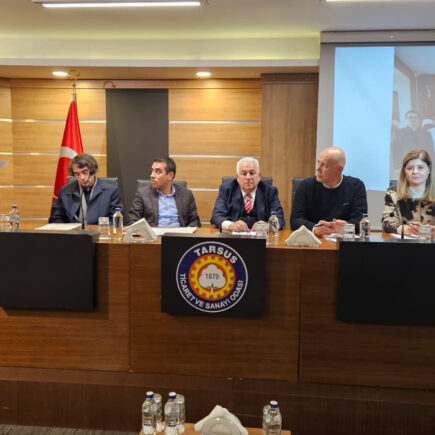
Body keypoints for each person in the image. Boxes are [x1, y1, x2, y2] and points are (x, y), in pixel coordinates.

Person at [290, 146, 367, 236]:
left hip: (343, 240)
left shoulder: (356, 186)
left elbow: (360, 220)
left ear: (339, 169)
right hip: (314, 239)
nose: (318, 168)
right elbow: (295, 220)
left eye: (324, 165)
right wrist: (314, 228)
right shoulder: (306, 186)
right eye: (318, 162)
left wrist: (346, 226)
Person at [210, 157, 285, 232]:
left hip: (262, 237)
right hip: (233, 236)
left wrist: (269, 226)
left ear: (259, 176)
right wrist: (231, 225)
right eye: (244, 174)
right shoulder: (226, 190)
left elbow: (279, 219)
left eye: (252, 173)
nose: (248, 177)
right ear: (237, 177)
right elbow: (216, 217)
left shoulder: (270, 191)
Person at [50, 153, 123, 225]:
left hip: (100, 231)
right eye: (77, 174)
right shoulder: (65, 192)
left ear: (93, 171)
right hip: (73, 231)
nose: (82, 177)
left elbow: (116, 220)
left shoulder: (111, 191)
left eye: (85, 172)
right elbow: (56, 218)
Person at [126, 157, 200, 227]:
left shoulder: (186, 194)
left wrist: (188, 230)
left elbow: (195, 220)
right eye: (152, 171)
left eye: (158, 172)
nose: (152, 175)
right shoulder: (143, 194)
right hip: (154, 235)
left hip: (179, 234)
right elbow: (132, 219)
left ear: (170, 176)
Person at [382, 149, 435, 235]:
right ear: (404, 171)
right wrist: (405, 229)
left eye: (420, 167)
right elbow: (387, 223)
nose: (415, 172)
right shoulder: (393, 193)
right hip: (404, 242)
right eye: (410, 168)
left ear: (429, 169)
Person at [390, 110, 435, 179]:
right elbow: (394, 151)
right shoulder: (398, 133)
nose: (413, 119)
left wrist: (430, 165)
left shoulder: (426, 133)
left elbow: (430, 150)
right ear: (406, 119)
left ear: (419, 120)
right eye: (410, 117)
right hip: (405, 165)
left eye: (415, 117)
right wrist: (396, 167)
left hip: (422, 164)